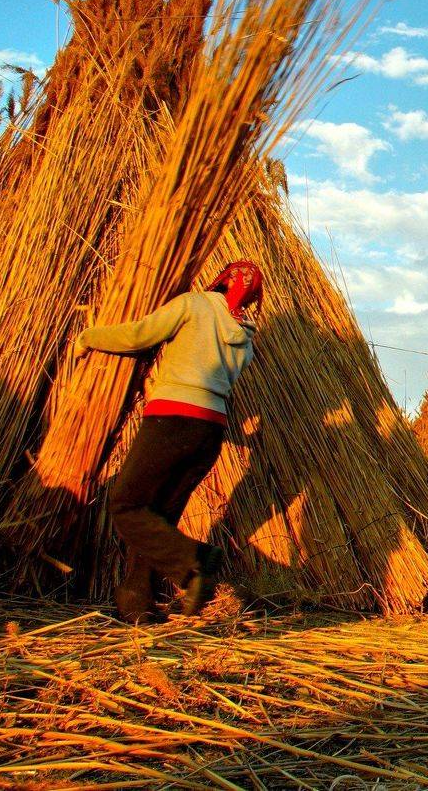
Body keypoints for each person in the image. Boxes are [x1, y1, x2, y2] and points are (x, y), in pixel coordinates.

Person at [75, 261, 263, 623]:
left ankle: (196, 562)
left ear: (222, 280)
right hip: (210, 433)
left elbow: (139, 335)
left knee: (126, 504)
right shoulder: (246, 338)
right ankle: (137, 605)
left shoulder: (194, 304)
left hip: (172, 420)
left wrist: (89, 337)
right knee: (157, 519)